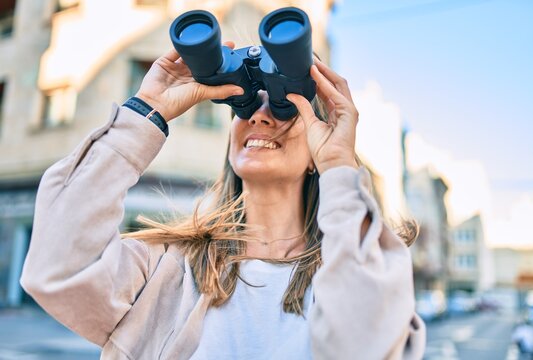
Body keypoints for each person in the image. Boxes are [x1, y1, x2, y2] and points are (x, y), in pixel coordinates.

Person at [20, 41, 426, 359]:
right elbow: (56, 270)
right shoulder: (165, 271)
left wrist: (340, 163)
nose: (260, 115)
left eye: (285, 103)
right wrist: (146, 112)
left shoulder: (357, 263)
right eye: (247, 102)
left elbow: (370, 347)